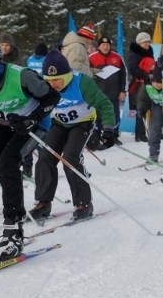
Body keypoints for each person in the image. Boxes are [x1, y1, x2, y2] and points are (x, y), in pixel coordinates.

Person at [0, 35, 60, 261]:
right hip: (1, 124)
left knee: (7, 164)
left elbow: (52, 97)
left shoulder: (22, 76)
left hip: (32, 126)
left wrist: (32, 119)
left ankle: (13, 230)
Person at [28, 50, 116, 221]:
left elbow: (104, 104)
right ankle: (43, 203)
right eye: (49, 80)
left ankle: (84, 204)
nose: (53, 84)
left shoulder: (82, 82)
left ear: (66, 75)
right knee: (45, 157)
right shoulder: (43, 85)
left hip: (82, 123)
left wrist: (108, 129)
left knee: (70, 158)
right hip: (58, 123)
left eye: (57, 79)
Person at [88, 35, 127, 142]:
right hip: (98, 93)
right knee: (97, 115)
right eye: (103, 45)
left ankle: (114, 136)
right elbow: (87, 75)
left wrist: (122, 91)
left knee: (114, 114)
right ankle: (96, 136)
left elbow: (123, 75)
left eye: (107, 45)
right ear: (99, 46)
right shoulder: (91, 57)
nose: (105, 47)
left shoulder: (117, 57)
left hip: (114, 93)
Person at [127, 31, 155, 142]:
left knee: (151, 107)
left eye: (148, 41)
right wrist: (145, 75)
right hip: (138, 84)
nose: (146, 43)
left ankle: (153, 132)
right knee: (140, 108)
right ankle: (140, 134)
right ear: (139, 43)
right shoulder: (135, 54)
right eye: (144, 42)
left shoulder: (149, 52)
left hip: (149, 83)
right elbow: (133, 69)